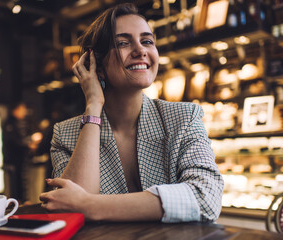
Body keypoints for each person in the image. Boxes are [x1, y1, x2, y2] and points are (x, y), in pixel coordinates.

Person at [39, 3, 224, 222]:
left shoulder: (184, 117)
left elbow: (206, 197)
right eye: (123, 43)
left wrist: (91, 205)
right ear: (95, 64)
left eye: (147, 41)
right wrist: (93, 104)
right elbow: (69, 211)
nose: (140, 51)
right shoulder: (65, 134)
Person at [3, 101, 42, 203]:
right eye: (22, 109)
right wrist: (29, 143)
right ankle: (17, 203)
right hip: (12, 160)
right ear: (16, 109)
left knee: (22, 181)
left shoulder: (19, 122)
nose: (24, 112)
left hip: (20, 159)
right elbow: (14, 142)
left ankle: (22, 201)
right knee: (15, 184)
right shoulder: (10, 123)